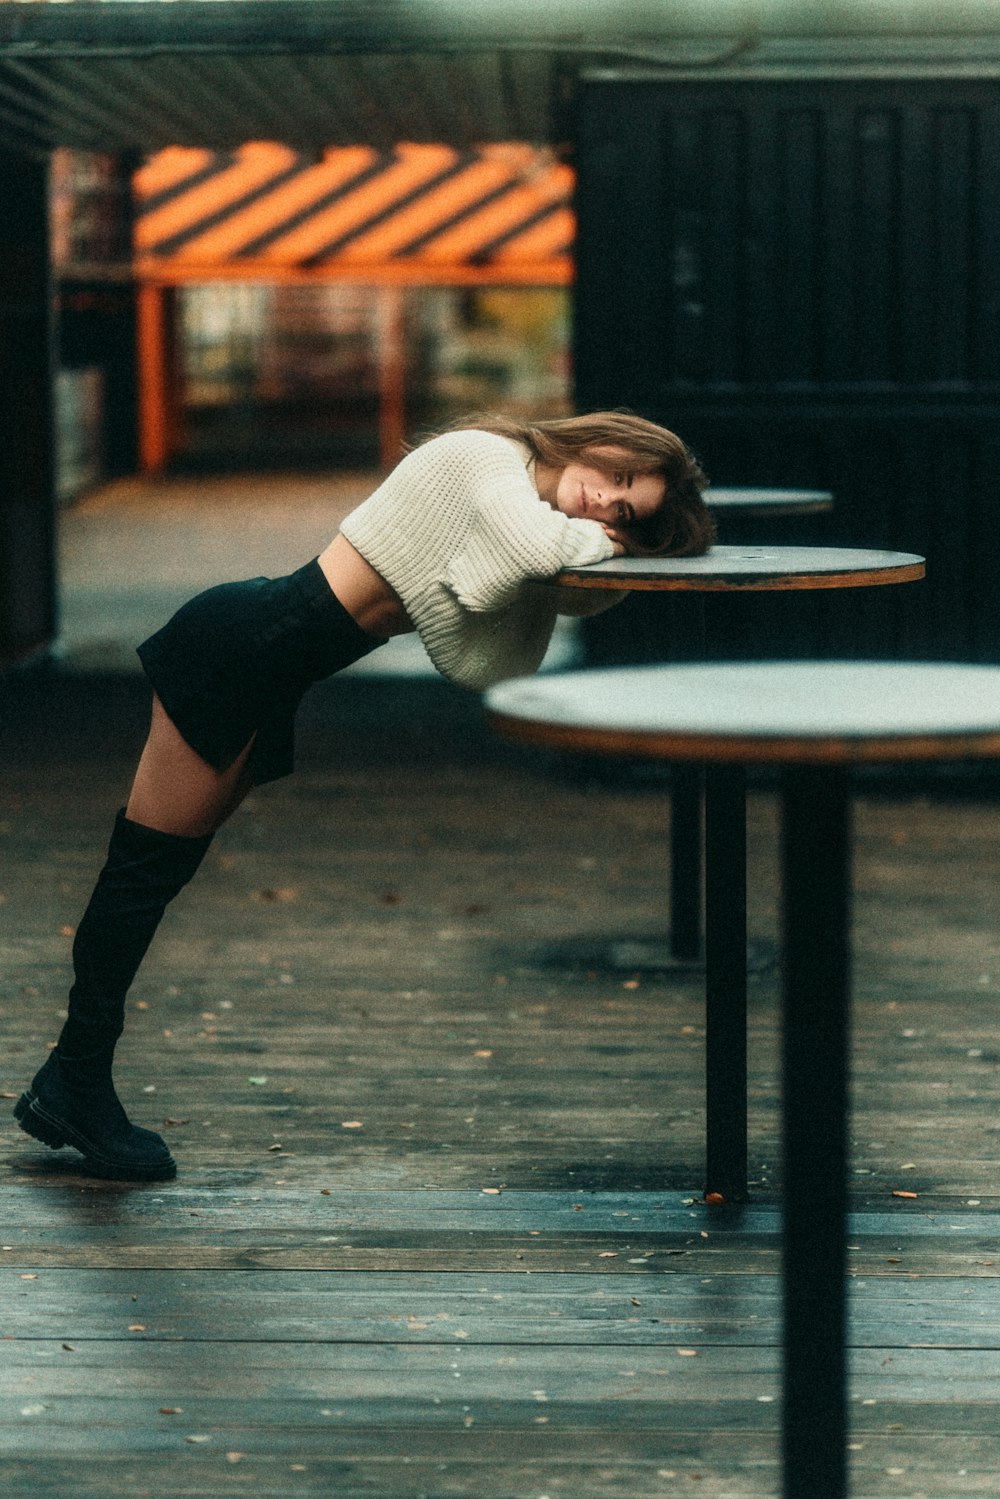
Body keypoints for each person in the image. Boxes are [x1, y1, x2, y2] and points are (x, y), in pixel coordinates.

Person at [13, 411, 713, 1181]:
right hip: (241, 645)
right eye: (617, 477)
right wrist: (609, 543)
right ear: (601, 439)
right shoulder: (487, 460)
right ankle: (73, 1080)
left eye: (624, 512)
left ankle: (73, 1077)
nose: (603, 503)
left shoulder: (523, 502)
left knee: (157, 873)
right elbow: (541, 553)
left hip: (273, 665)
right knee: (141, 870)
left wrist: (609, 547)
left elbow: (570, 589)